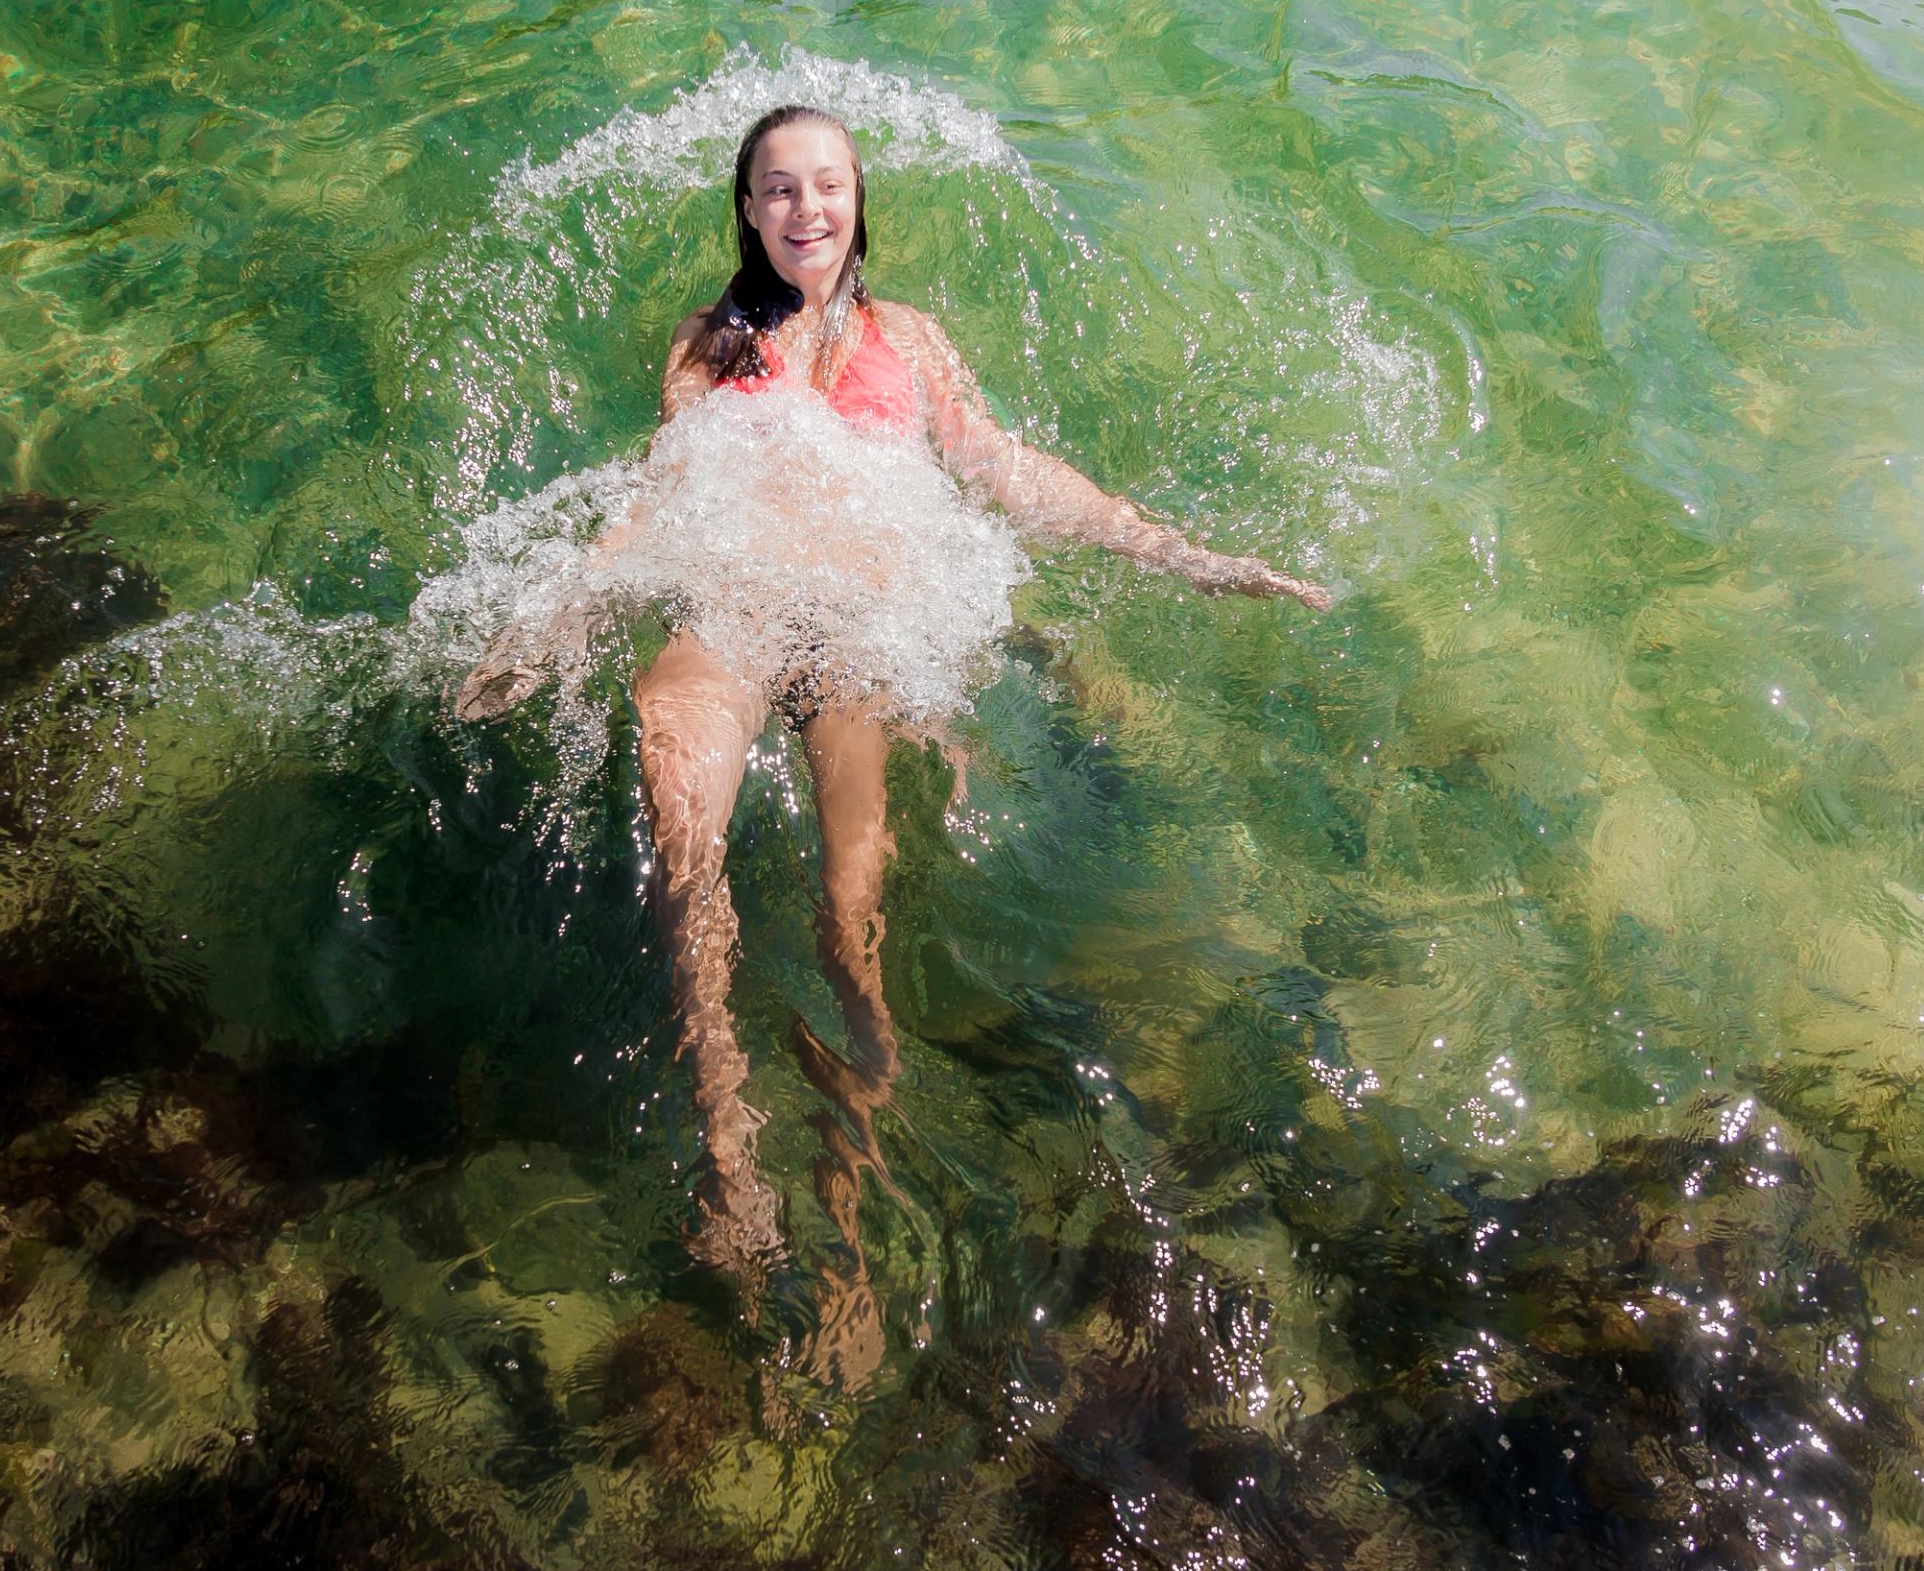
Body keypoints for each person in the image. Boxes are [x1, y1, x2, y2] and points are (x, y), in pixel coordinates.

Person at [464, 105, 1326, 1300]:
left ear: (861, 200)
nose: (804, 208)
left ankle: (852, 1195)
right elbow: (661, 499)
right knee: (679, 819)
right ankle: (728, 1139)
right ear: (747, 211)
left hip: (858, 631)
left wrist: (1177, 554)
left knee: (850, 905)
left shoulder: (910, 342)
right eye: (777, 188)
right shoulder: (706, 343)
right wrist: (554, 611)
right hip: (733, 612)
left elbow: (1006, 469)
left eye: (826, 185)